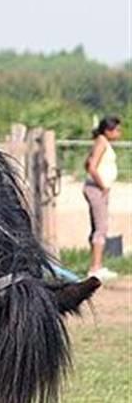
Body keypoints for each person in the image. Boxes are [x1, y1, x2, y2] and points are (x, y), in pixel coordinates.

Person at [83, 115, 122, 282]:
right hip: (97, 189)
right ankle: (95, 267)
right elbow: (92, 167)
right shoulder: (101, 143)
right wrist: (103, 185)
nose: (119, 133)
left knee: (98, 226)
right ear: (108, 130)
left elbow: (87, 162)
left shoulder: (100, 142)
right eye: (117, 129)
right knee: (101, 227)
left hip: (97, 188)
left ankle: (97, 264)